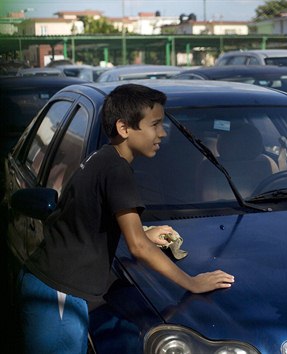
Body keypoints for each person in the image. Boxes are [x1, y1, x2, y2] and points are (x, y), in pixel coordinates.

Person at [18, 83, 235, 353]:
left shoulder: (104, 159)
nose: (162, 132)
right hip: (57, 293)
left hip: (51, 287)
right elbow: (138, 248)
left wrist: (144, 232)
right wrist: (192, 282)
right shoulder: (118, 171)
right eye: (154, 124)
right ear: (124, 128)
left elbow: (93, 217)